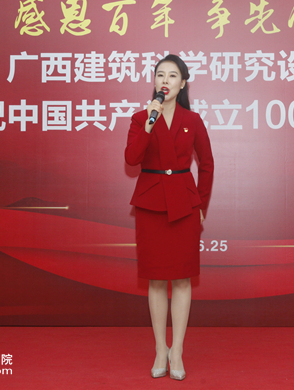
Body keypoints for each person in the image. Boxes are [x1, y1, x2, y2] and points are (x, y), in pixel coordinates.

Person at [124, 54, 214, 381]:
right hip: (151, 203)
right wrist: (149, 124)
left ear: (183, 82)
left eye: (172, 75)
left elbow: (207, 164)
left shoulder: (193, 120)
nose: (165, 80)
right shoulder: (140, 118)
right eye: (160, 74)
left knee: (182, 278)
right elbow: (132, 159)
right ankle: (160, 349)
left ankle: (177, 350)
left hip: (183, 203)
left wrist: (201, 203)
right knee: (156, 279)